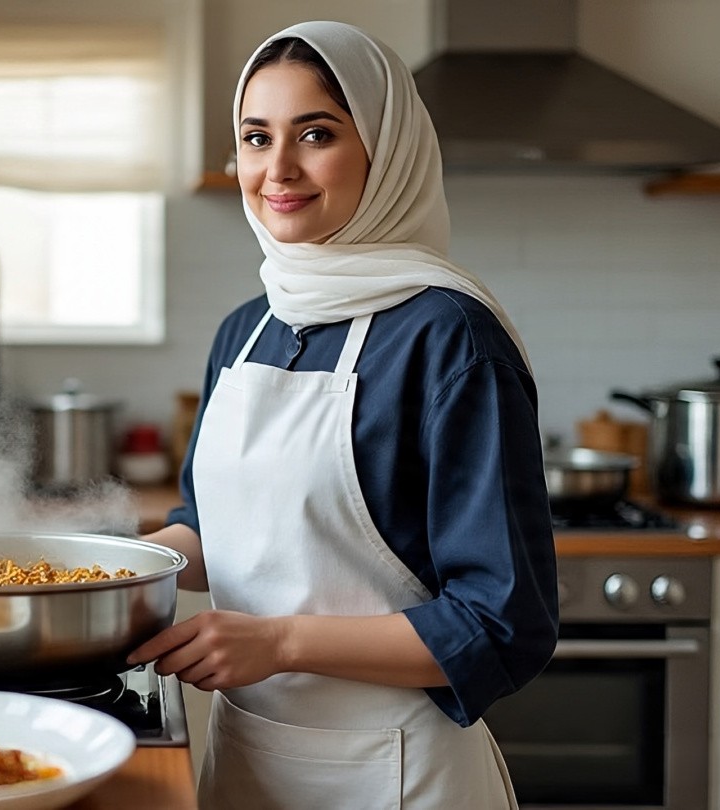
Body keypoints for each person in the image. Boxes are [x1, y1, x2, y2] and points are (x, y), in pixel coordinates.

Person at [128, 21, 558, 809]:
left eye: (316, 134)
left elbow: (502, 623)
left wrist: (279, 641)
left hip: (397, 772)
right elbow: (209, 528)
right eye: (256, 138)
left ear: (383, 151)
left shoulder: (450, 336)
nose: (278, 168)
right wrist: (106, 568)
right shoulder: (248, 327)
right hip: (249, 759)